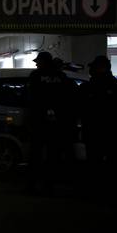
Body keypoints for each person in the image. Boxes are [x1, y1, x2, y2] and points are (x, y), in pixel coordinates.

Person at [26, 51, 77, 194]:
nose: (36, 64)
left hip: (39, 122)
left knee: (35, 155)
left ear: (44, 62)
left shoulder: (36, 76)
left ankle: (32, 185)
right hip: (57, 124)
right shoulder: (62, 77)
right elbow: (69, 100)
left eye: (38, 62)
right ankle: (49, 185)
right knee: (52, 156)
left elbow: (30, 99)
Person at [79, 55, 117, 174]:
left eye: (93, 67)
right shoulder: (116, 86)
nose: (90, 70)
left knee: (96, 163)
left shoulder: (91, 86)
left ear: (102, 68)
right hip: (107, 133)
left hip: (99, 133)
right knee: (107, 164)